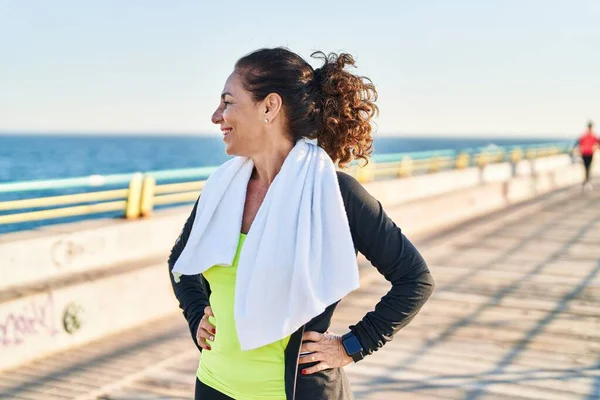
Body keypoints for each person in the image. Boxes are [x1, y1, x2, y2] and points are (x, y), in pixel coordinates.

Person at [168, 47, 435, 400]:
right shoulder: (222, 189)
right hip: (214, 386)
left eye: (228, 102)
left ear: (269, 107)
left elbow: (415, 279)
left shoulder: (334, 194)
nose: (216, 116)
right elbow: (181, 261)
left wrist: (351, 345)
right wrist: (194, 316)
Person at [576, 121, 598, 189]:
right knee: (588, 167)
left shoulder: (584, 135)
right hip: (588, 153)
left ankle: (586, 181)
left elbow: (579, 143)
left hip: (586, 153)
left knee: (586, 167)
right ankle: (587, 181)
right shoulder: (592, 135)